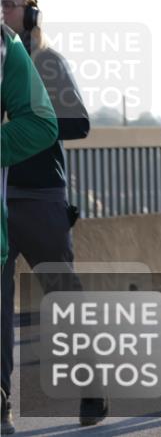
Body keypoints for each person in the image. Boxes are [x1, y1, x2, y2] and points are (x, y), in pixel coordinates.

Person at [0, 0, 99, 430]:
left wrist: (27, 114)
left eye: (8, 4)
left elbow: (79, 123)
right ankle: (2, 403)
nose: (1, 11)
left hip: (39, 196)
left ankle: (93, 387)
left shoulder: (45, 60)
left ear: (31, 13)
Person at [0, 22, 58, 436]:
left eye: (11, 3)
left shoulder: (13, 48)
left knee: (61, 292)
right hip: (14, 198)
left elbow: (49, 124)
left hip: (41, 200)